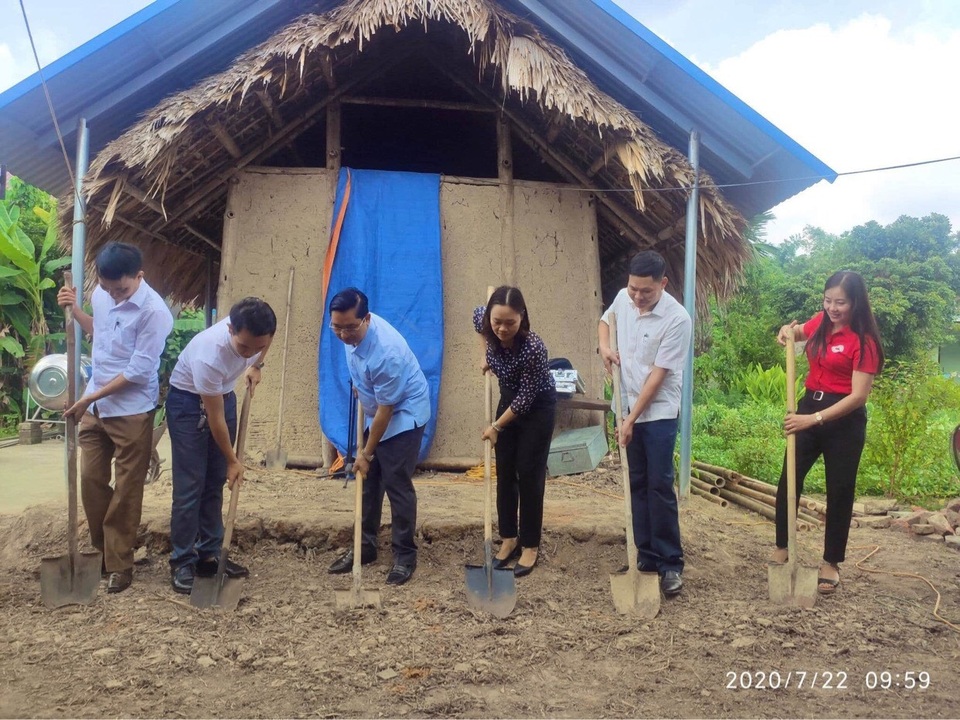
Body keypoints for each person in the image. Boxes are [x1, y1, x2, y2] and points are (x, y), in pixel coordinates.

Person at [56, 241, 174, 593]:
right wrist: (75, 310)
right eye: (109, 289)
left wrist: (88, 396)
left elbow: (138, 370)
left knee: (127, 489)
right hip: (95, 407)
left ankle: (120, 564)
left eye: (121, 289)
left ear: (139, 276)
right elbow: (102, 332)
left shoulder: (155, 313)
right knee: (91, 480)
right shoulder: (102, 294)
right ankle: (104, 555)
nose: (115, 296)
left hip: (132, 410)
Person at [772, 270, 883, 595]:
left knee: (840, 490)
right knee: (788, 479)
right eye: (828, 300)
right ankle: (783, 546)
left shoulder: (865, 342)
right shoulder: (820, 321)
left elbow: (858, 396)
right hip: (808, 405)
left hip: (843, 419)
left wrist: (814, 420)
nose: (833, 308)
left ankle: (831, 562)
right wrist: (787, 332)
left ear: (855, 303)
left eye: (841, 303)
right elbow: (797, 332)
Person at [165, 297, 275, 594]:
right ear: (229, 329)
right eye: (243, 348)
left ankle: (210, 554)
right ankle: (182, 561)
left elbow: (266, 342)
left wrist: (258, 365)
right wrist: (233, 460)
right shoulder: (209, 356)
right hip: (189, 405)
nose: (248, 353)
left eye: (256, 347)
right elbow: (215, 419)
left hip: (224, 398)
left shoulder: (259, 335)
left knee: (213, 484)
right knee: (191, 485)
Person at [598, 250, 691, 597]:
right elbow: (605, 322)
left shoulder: (678, 319)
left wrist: (632, 420)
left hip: (658, 412)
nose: (637, 297)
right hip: (625, 404)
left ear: (663, 284)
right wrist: (604, 347)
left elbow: (658, 376)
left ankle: (670, 563)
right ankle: (645, 556)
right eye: (633, 288)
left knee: (659, 484)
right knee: (635, 482)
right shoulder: (624, 298)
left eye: (646, 292)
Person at [326, 288, 430, 586]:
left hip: (403, 414)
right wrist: (361, 386)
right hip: (377, 407)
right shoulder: (349, 330)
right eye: (337, 327)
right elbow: (362, 374)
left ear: (366, 319)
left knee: (395, 481)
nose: (343, 334)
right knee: (367, 483)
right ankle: (365, 546)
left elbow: (387, 410)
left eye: (350, 327)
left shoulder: (387, 352)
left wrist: (366, 453)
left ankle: (404, 555)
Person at [474, 286, 556, 577]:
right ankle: (509, 538)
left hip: (536, 407)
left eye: (510, 322)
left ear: (522, 317)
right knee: (505, 472)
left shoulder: (533, 347)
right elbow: (477, 322)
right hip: (508, 400)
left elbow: (526, 399)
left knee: (529, 474)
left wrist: (496, 426)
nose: (502, 328)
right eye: (497, 321)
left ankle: (530, 543)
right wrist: (486, 354)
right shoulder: (487, 324)